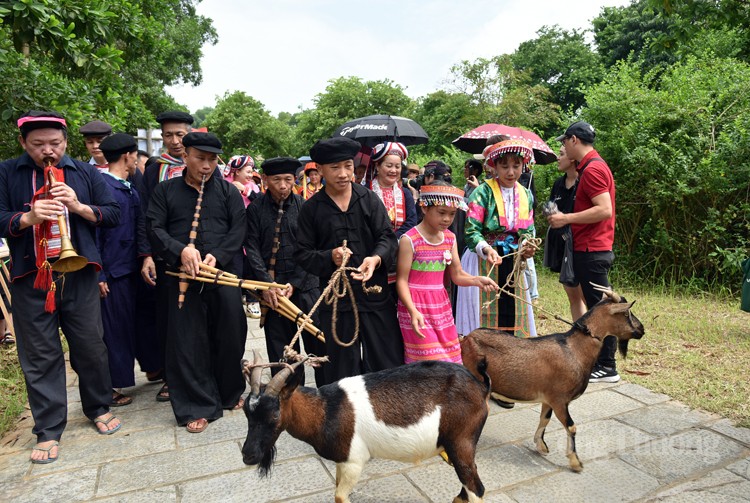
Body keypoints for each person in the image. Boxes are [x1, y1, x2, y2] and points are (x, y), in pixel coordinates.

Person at [0, 111, 123, 464]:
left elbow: (113, 213)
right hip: (31, 277)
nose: (47, 151)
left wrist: (79, 206)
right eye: (38, 145)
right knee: (40, 354)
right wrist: (26, 218)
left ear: (66, 143)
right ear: (24, 144)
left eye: (55, 143)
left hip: (80, 273)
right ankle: (49, 428)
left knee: (90, 345)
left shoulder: (84, 173)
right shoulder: (8, 172)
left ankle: (98, 406)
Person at [147, 132, 247, 433]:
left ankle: (229, 392)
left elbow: (238, 228)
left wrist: (217, 255)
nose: (206, 165)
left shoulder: (229, 192)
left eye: (212, 160)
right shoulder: (165, 191)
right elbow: (154, 228)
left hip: (221, 274)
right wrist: (181, 251)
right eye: (200, 158)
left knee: (231, 332)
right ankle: (197, 405)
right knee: (187, 342)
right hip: (181, 277)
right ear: (185, 156)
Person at [295, 137, 403, 385]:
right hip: (337, 300)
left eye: (347, 166)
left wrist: (375, 259)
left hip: (374, 292)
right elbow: (302, 253)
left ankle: (388, 415)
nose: (343, 174)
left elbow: (387, 237)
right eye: (334, 168)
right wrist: (329, 256)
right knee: (341, 366)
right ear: (319, 170)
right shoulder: (311, 209)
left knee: (385, 358)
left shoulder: (368, 199)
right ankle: (344, 418)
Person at [245, 157, 326, 386]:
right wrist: (266, 284)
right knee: (282, 351)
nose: (282, 186)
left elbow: (311, 248)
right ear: (266, 180)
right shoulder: (255, 210)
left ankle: (324, 397)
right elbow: (251, 248)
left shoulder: (304, 207)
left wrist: (295, 283)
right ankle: (291, 399)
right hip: (272, 291)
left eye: (288, 180)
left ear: (295, 180)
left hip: (305, 286)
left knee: (316, 344)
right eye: (276, 180)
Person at [396, 182, 498, 363]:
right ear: (425, 208)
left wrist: (477, 280)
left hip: (440, 305)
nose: (447, 219)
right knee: (427, 359)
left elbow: (457, 274)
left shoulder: (450, 239)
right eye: (441, 213)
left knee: (450, 356)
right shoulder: (409, 240)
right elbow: (402, 281)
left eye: (452, 214)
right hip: (416, 305)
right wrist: (412, 311)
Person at [548, 121, 617, 383]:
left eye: (564, 141)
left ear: (574, 140)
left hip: (593, 249)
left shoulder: (593, 169)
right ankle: (598, 359)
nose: (563, 147)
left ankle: (607, 365)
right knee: (596, 307)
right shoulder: (590, 167)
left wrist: (566, 218)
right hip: (585, 247)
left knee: (602, 309)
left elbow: (604, 209)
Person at [139, 111, 194, 401]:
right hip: (166, 257)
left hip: (202, 256)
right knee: (170, 319)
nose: (174, 141)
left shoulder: (204, 163)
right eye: (168, 135)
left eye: (180, 135)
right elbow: (144, 215)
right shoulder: (154, 169)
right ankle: (172, 377)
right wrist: (147, 254)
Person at [97, 133, 153, 407]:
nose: (135, 161)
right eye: (134, 156)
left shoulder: (129, 187)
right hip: (113, 271)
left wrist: (146, 257)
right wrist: (99, 273)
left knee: (141, 321)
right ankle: (109, 386)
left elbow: (141, 225)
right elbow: (94, 235)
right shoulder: (102, 189)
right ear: (128, 156)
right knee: (115, 329)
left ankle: (152, 365)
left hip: (134, 268)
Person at [465, 139, 538, 338]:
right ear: (494, 166)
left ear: (524, 165)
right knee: (485, 312)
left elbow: (528, 229)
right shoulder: (482, 192)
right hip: (484, 257)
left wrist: (527, 245)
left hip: (513, 257)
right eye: (504, 166)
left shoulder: (525, 194)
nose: (511, 172)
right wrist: (486, 248)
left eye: (516, 166)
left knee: (513, 310)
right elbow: (471, 230)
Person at [543, 145, 586, 321]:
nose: (558, 159)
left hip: (581, 244)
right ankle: (580, 333)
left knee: (588, 295)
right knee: (572, 294)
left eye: (561, 154)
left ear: (573, 157)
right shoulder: (558, 184)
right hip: (562, 243)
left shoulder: (585, 181)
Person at [224, 155, 261, 319]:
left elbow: (260, 202)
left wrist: (245, 190)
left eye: (252, 170)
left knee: (252, 267)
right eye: (247, 171)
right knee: (236, 268)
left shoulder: (253, 187)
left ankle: (253, 299)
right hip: (232, 236)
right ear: (236, 171)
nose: (250, 174)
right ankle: (235, 300)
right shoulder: (225, 186)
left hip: (251, 235)